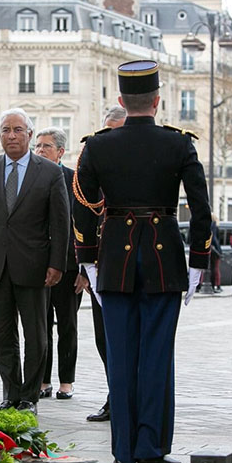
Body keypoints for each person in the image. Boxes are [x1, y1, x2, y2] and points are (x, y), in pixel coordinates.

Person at [73, 60, 210, 463]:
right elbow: (201, 208)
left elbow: (82, 205)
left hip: (114, 259)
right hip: (164, 260)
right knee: (155, 355)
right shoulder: (179, 143)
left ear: (121, 101)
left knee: (119, 356)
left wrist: (88, 259)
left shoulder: (96, 145)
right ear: (157, 100)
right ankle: (150, 447)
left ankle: (123, 451)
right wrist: (199, 261)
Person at [0, 107, 70, 415]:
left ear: (29, 134)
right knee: (2, 333)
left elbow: (60, 222)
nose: (11, 135)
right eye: (5, 130)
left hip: (35, 266)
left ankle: (29, 396)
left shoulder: (49, 172)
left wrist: (57, 263)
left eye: (17, 130)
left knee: (36, 333)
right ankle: (10, 393)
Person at [33, 127, 86, 401]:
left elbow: (84, 225)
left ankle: (66, 381)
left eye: (46, 146)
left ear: (61, 152)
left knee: (67, 325)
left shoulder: (74, 181)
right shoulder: (28, 178)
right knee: (40, 326)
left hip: (68, 267)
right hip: (36, 267)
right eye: (38, 146)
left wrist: (84, 269)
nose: (40, 151)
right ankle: (42, 380)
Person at [85, 106, 126, 423]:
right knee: (105, 338)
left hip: (132, 261)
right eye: (108, 131)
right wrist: (84, 266)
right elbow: (80, 215)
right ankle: (115, 394)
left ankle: (129, 396)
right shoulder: (91, 164)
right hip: (101, 266)